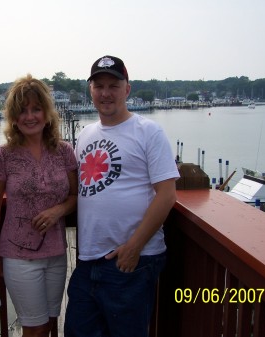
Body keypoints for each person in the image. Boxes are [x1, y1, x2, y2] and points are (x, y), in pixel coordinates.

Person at [64, 56, 180, 337]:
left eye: (113, 86)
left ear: (127, 89)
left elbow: (166, 195)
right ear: (90, 91)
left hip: (132, 261)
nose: (106, 93)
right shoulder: (86, 135)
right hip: (89, 260)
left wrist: (134, 247)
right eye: (99, 86)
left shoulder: (148, 132)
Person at [0, 74, 78, 337]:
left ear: (47, 113)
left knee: (50, 322)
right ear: (14, 118)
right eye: (22, 111)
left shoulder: (64, 151)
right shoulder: (3, 155)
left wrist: (58, 210)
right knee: (34, 327)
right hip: (19, 254)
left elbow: (75, 196)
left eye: (36, 109)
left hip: (56, 252)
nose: (30, 116)